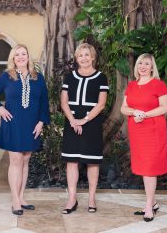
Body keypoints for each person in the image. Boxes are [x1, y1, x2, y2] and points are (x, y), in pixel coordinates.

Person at [0, 44, 50, 215]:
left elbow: (44, 102)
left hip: (32, 125)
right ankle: (15, 199)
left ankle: (21, 197)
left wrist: (41, 122)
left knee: (26, 160)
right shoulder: (7, 77)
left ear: (28, 57)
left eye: (23, 54)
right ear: (13, 59)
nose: (21, 57)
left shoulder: (38, 78)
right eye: (17, 55)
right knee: (16, 161)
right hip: (12, 123)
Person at [121, 53, 167, 222]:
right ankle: (153, 201)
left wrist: (144, 114)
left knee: (150, 167)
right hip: (137, 132)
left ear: (152, 67)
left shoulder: (158, 84)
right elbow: (124, 108)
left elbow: (165, 107)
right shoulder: (132, 85)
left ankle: (149, 206)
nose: (142, 66)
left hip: (154, 130)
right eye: (140, 63)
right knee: (144, 167)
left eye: (147, 64)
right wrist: (135, 112)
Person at [61, 43, 109, 214]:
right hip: (71, 121)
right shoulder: (69, 77)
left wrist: (84, 120)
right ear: (76, 58)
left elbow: (101, 103)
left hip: (92, 122)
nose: (84, 58)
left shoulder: (101, 77)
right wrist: (73, 120)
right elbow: (64, 102)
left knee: (92, 161)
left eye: (87, 55)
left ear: (93, 57)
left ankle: (91, 198)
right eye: (80, 55)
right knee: (71, 160)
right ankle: (72, 199)